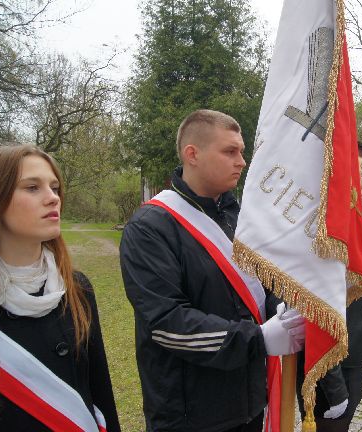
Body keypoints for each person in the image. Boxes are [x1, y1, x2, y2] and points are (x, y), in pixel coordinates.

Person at [119, 109, 305, 432]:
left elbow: (261, 283)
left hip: (248, 404)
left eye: (242, 152)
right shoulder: (150, 228)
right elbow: (167, 324)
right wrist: (257, 339)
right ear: (193, 154)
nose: (242, 161)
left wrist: (281, 308)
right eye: (230, 151)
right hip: (191, 416)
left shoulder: (240, 215)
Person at [0, 145, 120, 431]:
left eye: (54, 187)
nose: (52, 198)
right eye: (32, 187)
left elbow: (100, 392)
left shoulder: (78, 289)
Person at [295, 157, 362, 432]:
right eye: (356, 176)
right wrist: (334, 386)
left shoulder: (350, 227)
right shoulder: (324, 236)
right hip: (334, 362)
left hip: (353, 352)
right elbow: (318, 312)